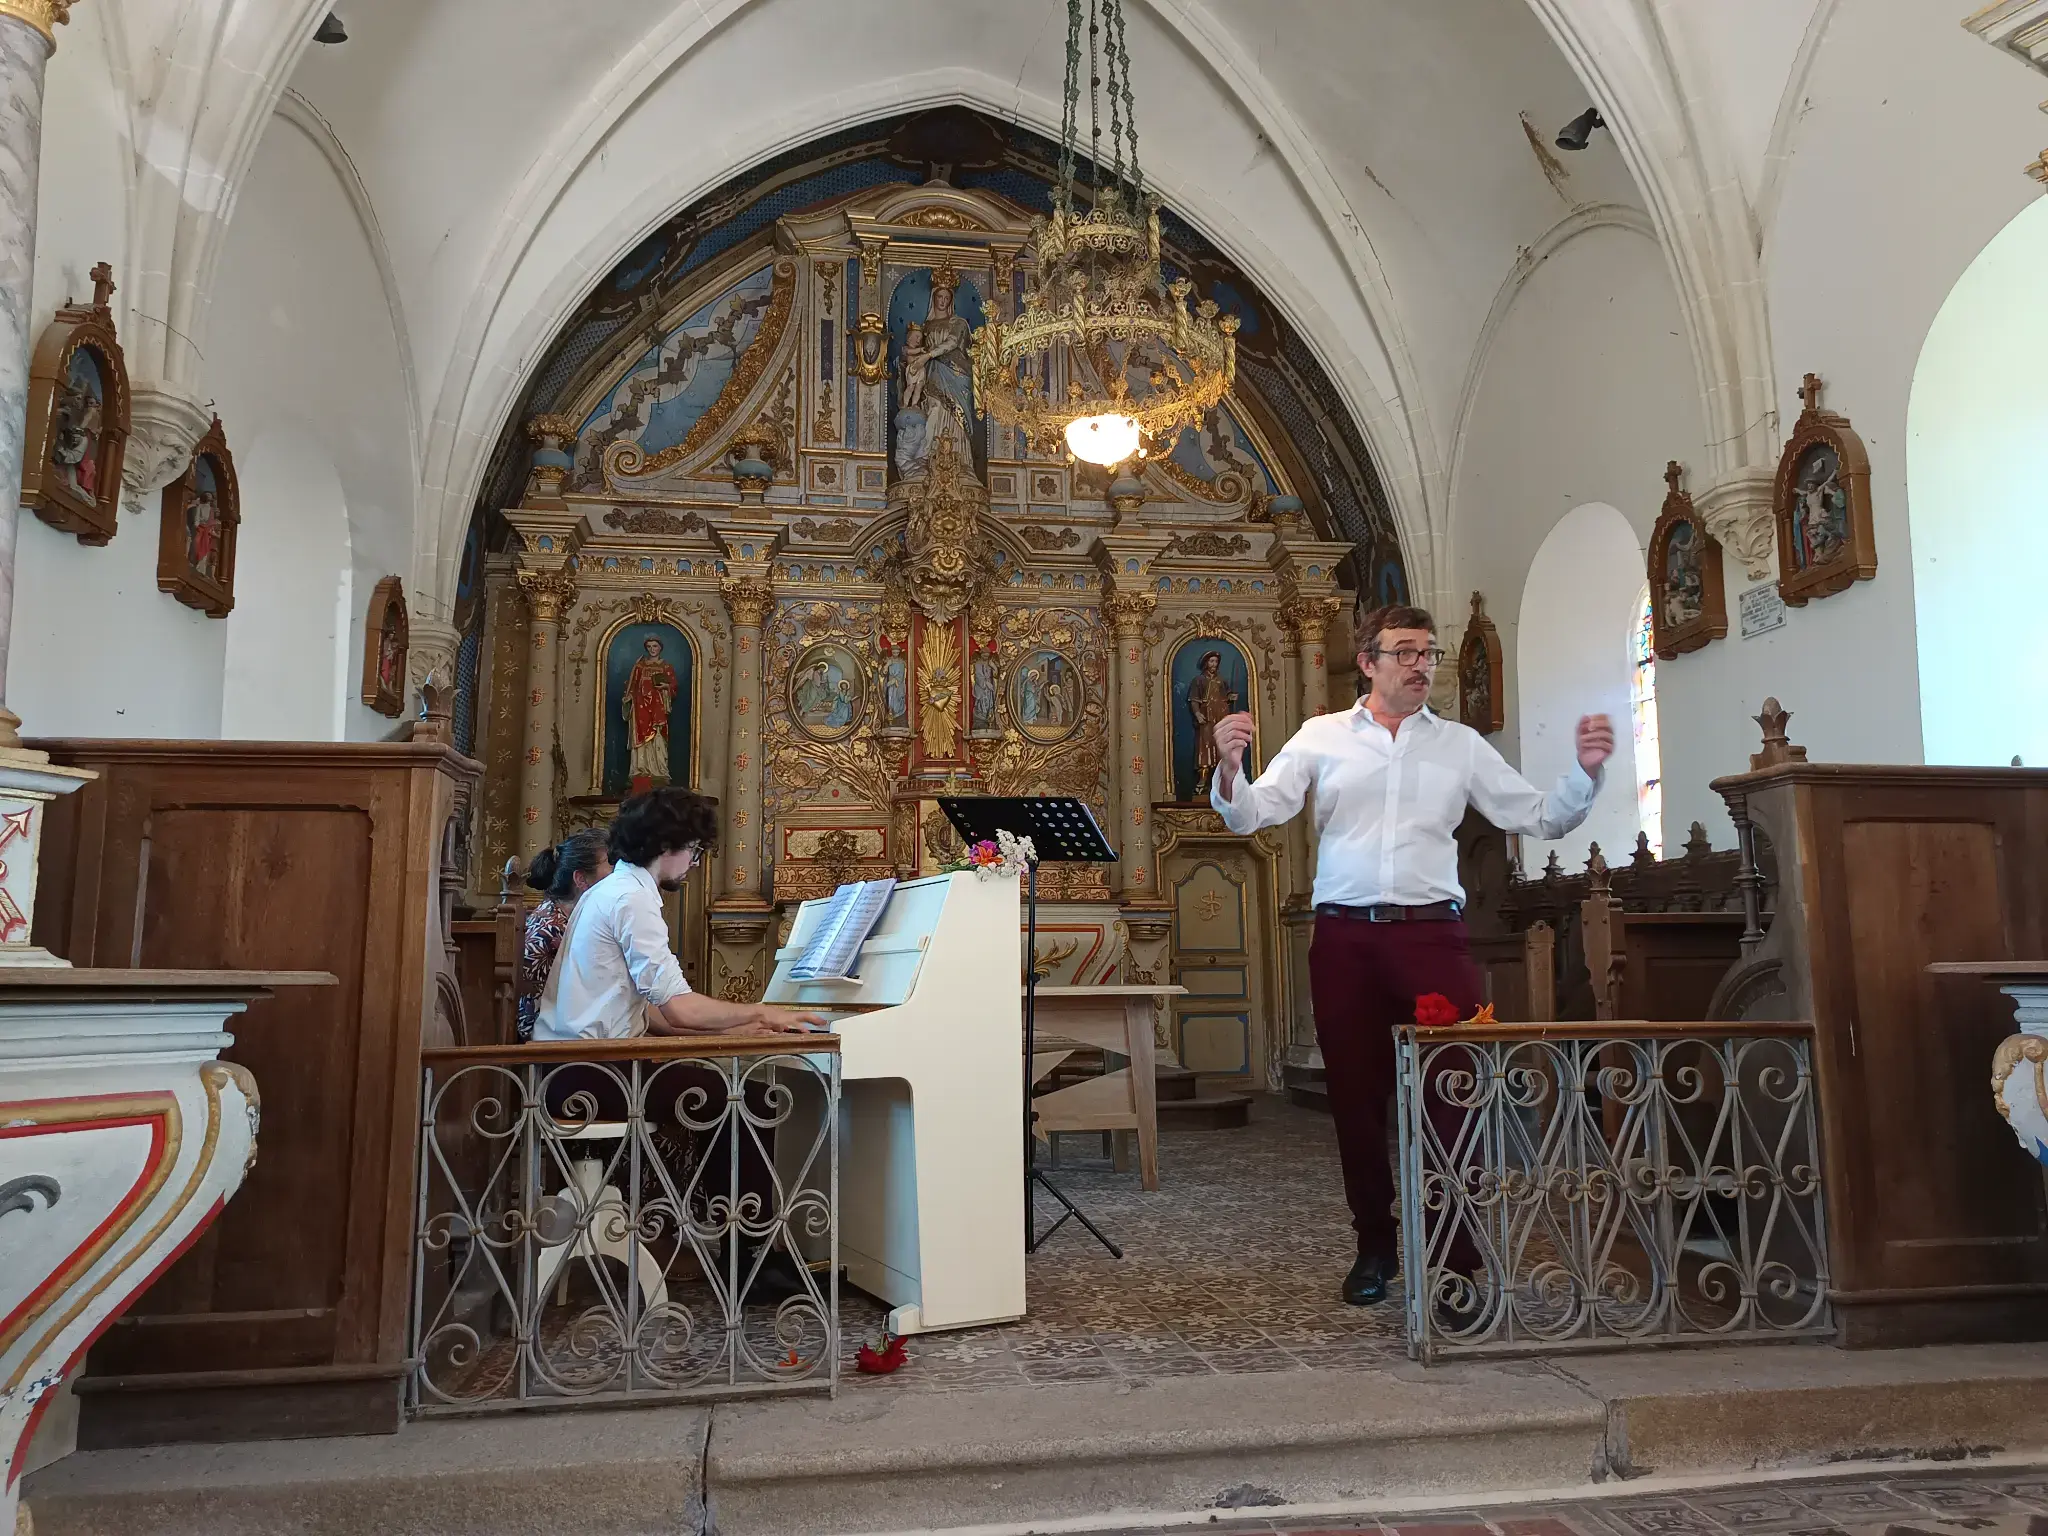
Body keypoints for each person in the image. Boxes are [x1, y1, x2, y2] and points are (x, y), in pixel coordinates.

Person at [1210, 604, 1614, 1319]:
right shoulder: (1322, 737)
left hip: (1432, 938)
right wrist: (1230, 765)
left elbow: (1540, 816)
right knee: (1358, 1105)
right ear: (1368, 662)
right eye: (1404, 653)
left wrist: (1585, 775)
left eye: (1428, 653)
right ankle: (1375, 1246)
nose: (1420, 665)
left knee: (1454, 1101)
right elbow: (1252, 814)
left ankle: (1457, 1265)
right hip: (1345, 940)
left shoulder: (1458, 745)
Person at [535, 787, 827, 1302]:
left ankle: (744, 1252)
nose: (694, 861)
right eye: (693, 849)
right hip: (590, 1074)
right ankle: (750, 1262)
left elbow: (648, 1012)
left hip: (572, 1065)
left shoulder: (612, 890)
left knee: (731, 1092)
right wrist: (761, 1012)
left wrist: (740, 1032)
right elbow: (677, 1008)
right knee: (749, 1100)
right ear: (668, 844)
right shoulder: (632, 898)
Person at [516, 829, 612, 1043]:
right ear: (580, 879)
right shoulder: (554, 926)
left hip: (567, 1026)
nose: (618, 877)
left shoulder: (564, 914)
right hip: (544, 1037)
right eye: (611, 866)